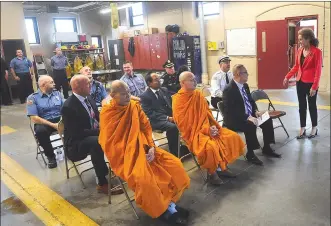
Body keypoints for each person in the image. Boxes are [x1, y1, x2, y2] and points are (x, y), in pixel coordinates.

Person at [99, 80, 190, 224]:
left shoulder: (134, 107)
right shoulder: (108, 113)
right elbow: (110, 142)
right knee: (146, 179)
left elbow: (146, 128)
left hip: (146, 148)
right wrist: (136, 153)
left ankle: (169, 204)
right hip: (125, 157)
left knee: (174, 164)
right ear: (112, 95)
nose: (128, 96)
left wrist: (151, 147)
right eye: (123, 94)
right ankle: (164, 211)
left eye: (129, 92)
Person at [172, 72, 245, 185]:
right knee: (210, 147)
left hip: (208, 128)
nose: (195, 81)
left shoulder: (198, 95)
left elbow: (207, 115)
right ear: (182, 83)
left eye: (194, 79)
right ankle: (212, 174)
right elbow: (184, 125)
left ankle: (222, 167)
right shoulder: (178, 100)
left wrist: (213, 127)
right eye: (191, 80)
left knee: (231, 136)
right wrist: (206, 131)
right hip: (193, 134)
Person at [61, 75, 123, 195]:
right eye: (88, 84)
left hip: (93, 134)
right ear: (78, 87)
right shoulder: (68, 106)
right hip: (76, 144)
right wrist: (102, 131)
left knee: (117, 132)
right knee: (96, 142)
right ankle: (102, 183)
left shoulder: (88, 97)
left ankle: (117, 167)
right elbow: (77, 133)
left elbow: (97, 118)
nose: (91, 86)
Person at [222, 64, 281, 166]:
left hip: (248, 115)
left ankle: (267, 147)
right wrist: (248, 117)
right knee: (250, 124)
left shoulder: (245, 85)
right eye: (245, 72)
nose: (248, 74)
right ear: (238, 74)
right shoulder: (229, 89)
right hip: (235, 119)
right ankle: (250, 153)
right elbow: (232, 111)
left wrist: (256, 112)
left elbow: (250, 101)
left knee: (267, 119)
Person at [283, 28, 322, 139]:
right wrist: (287, 76)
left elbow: (318, 71)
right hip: (299, 82)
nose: (299, 41)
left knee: (312, 106)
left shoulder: (317, 52)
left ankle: (314, 127)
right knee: (301, 106)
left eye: (301, 39)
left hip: (311, 84)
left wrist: (314, 87)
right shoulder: (299, 50)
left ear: (308, 39)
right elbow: (296, 66)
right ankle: (302, 127)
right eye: (299, 39)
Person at [140, 72, 188, 157]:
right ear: (149, 83)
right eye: (156, 80)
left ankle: (184, 146)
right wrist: (167, 118)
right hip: (156, 120)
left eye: (159, 79)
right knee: (172, 127)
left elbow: (171, 104)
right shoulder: (145, 96)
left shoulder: (163, 90)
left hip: (169, 116)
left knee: (186, 119)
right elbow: (150, 113)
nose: (159, 81)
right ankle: (175, 152)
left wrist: (178, 113)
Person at [26, 75, 63, 168]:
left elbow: (65, 108)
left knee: (74, 123)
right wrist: (53, 125)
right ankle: (50, 156)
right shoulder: (32, 98)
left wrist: (63, 120)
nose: (54, 84)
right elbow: (34, 118)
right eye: (51, 82)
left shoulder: (57, 93)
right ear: (43, 84)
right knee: (40, 132)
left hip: (59, 118)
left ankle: (72, 149)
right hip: (44, 121)